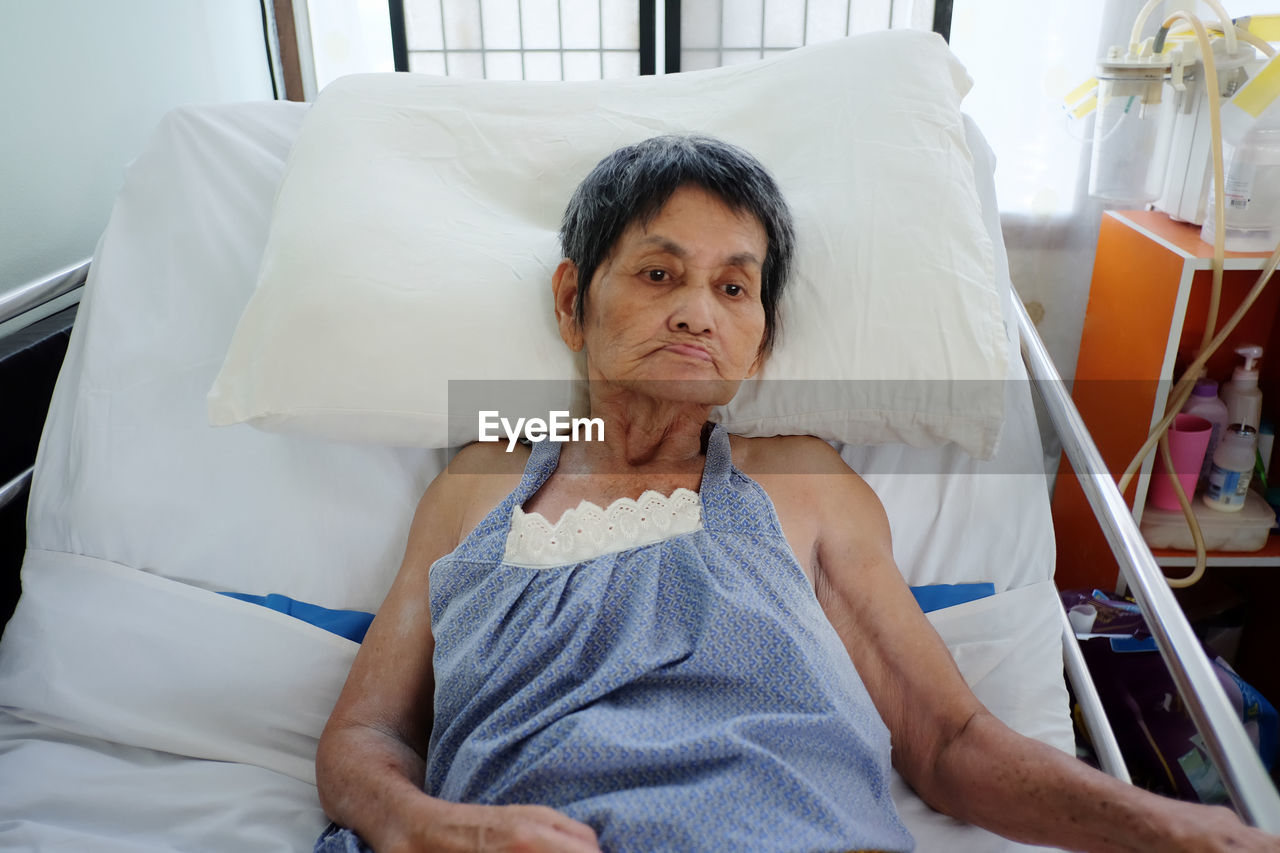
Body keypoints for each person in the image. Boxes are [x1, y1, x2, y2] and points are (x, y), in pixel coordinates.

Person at [314, 135, 1279, 853]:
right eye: (659, 274)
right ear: (572, 301)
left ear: (762, 341)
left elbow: (949, 742)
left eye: (736, 289)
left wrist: (1191, 830)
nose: (698, 309)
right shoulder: (489, 475)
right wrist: (421, 826)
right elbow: (365, 733)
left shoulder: (801, 479)